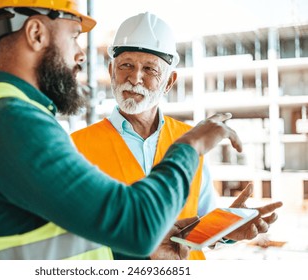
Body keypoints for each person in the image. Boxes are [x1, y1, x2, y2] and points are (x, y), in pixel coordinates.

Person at [0, 0, 243, 260]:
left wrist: (149, 249)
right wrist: (190, 146)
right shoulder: (11, 123)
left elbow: (65, 240)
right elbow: (139, 224)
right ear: (36, 33)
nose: (81, 54)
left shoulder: (7, 117)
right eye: (74, 36)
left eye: (149, 68)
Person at [71, 12, 283, 260]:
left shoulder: (190, 139)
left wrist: (225, 229)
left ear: (169, 82)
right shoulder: (75, 146)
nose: (135, 77)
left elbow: (196, 226)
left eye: (150, 69)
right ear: (111, 70)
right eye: (126, 64)